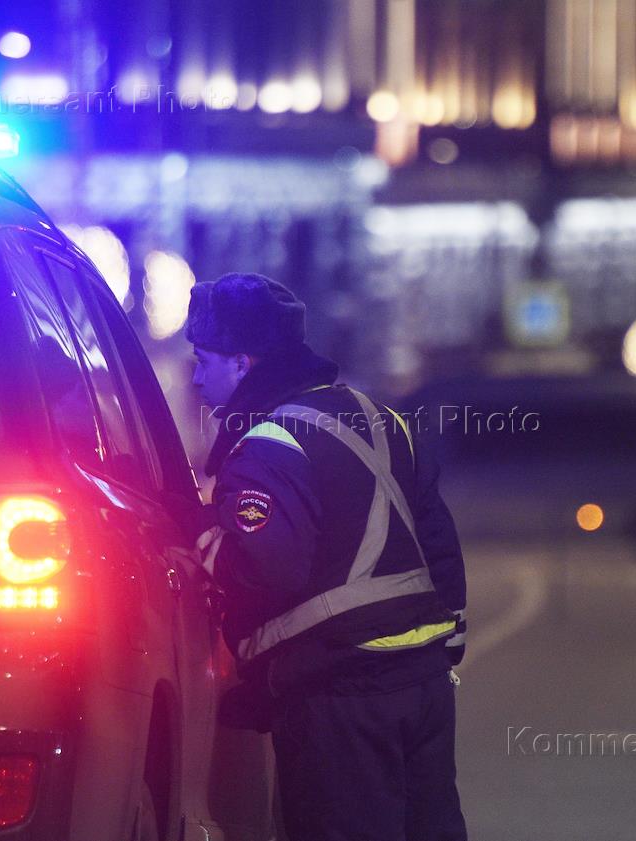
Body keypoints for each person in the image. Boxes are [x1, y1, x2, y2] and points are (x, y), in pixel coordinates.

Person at [186, 272, 468, 841]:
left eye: (203, 361)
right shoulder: (382, 419)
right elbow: (440, 545)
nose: (196, 379)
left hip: (340, 695)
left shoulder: (269, 443)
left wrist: (205, 541)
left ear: (241, 363)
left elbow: (270, 568)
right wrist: (447, 648)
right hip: (426, 683)